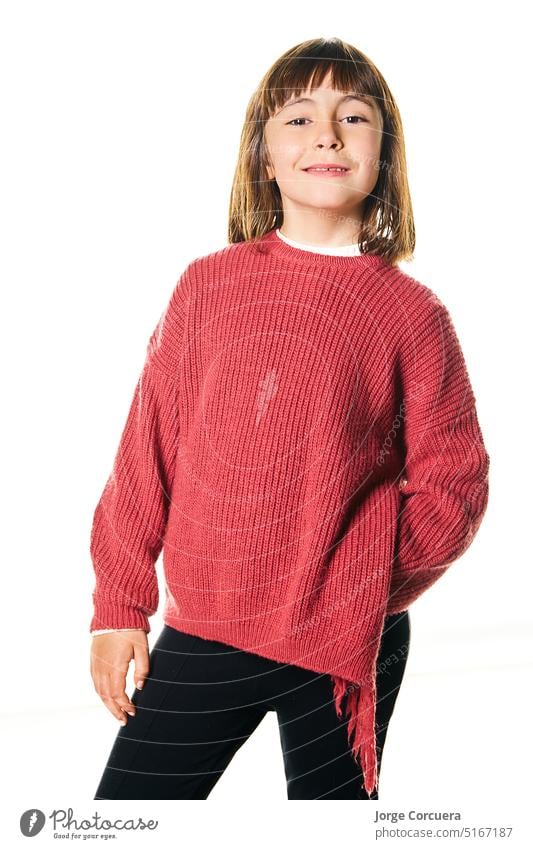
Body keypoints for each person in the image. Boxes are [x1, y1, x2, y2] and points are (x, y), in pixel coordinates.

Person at [89, 37, 490, 800]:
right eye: (298, 119)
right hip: (207, 627)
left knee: (331, 824)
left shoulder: (412, 314)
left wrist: (360, 574)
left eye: (353, 117)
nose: (327, 136)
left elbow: (455, 482)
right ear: (264, 157)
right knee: (129, 816)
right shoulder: (207, 286)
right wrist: (118, 605)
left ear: (383, 155)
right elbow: (147, 453)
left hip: (346, 638)